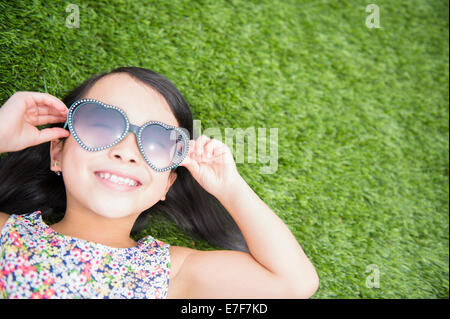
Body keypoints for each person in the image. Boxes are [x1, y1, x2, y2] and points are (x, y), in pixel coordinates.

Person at [0, 67, 318, 299]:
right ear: (57, 152)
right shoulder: (7, 236)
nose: (126, 152)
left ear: (168, 184)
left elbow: (293, 283)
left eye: (156, 142)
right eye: (100, 125)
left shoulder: (172, 272)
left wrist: (230, 187)